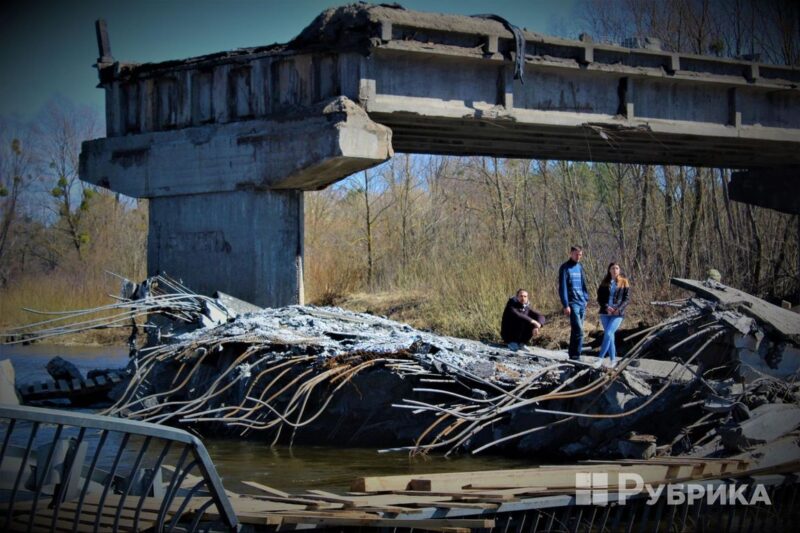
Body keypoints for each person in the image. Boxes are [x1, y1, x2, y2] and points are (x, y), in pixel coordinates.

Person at [594, 262, 631, 368]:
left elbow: (627, 299)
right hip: (605, 313)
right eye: (613, 268)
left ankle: (600, 359)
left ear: (619, 270)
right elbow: (599, 298)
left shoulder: (624, 282)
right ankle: (613, 360)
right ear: (609, 270)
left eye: (617, 268)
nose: (615, 270)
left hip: (617, 314)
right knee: (610, 336)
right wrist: (607, 307)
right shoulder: (604, 282)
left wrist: (617, 309)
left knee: (609, 333)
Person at [558, 246, 589, 360]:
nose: (578, 257)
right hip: (572, 303)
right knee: (579, 330)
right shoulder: (565, 268)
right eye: (576, 254)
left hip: (581, 302)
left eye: (580, 255)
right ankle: (577, 355)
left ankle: (572, 354)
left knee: (576, 330)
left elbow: (583, 284)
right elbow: (562, 288)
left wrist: (586, 298)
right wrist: (566, 304)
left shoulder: (580, 267)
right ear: (571, 253)